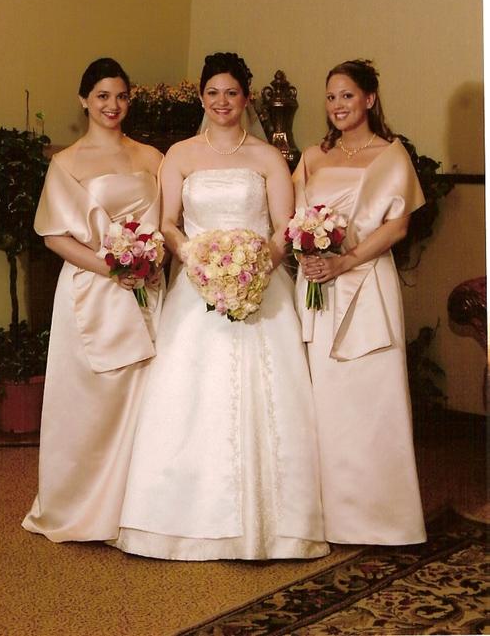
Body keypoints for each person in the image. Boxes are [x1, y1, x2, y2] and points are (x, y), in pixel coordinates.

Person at [109, 52, 329, 561]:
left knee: (268, 397)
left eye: (231, 93)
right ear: (202, 97)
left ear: (246, 99)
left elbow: (284, 226)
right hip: (195, 286)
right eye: (213, 93)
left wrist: (257, 266)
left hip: (260, 286)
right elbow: (167, 222)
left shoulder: (268, 157)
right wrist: (194, 258)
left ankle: (275, 525)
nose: (222, 102)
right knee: (188, 397)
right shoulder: (180, 155)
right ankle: (183, 518)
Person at [22, 57, 164, 542]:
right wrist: (112, 268)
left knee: (146, 400)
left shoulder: (152, 157)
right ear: (84, 100)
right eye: (103, 96)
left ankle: (137, 509)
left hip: (148, 291)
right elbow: (53, 236)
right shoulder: (67, 162)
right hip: (91, 291)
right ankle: (79, 505)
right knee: (89, 403)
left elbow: (169, 222)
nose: (112, 105)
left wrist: (151, 262)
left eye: (121, 96)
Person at [293, 58, 426, 545]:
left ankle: (381, 518)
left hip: (366, 282)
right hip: (316, 286)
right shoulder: (313, 156)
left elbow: (398, 226)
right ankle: (326, 517)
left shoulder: (391, 155)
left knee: (370, 396)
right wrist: (307, 254)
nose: (337, 105)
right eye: (331, 97)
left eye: (347, 95)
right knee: (321, 398)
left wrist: (345, 262)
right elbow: (291, 218)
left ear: (369, 99)